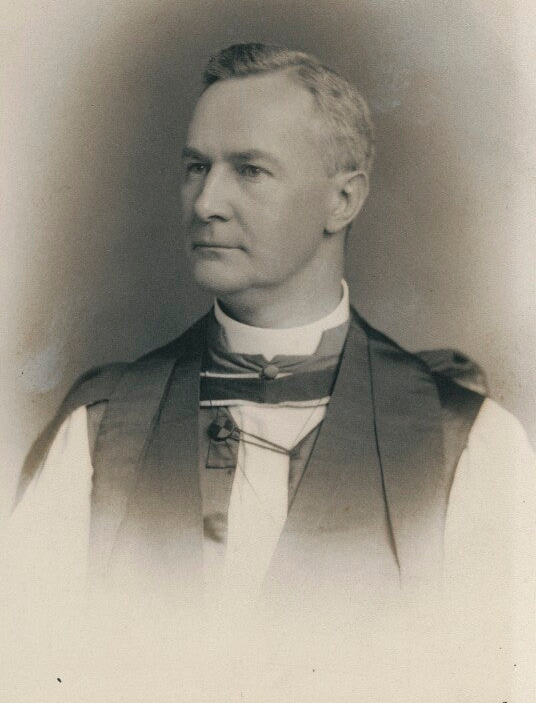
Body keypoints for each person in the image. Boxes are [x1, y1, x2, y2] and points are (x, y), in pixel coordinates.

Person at [4, 43, 535, 699]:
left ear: (343, 200)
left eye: (250, 170)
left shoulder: (467, 442)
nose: (206, 203)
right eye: (196, 168)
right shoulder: (100, 430)